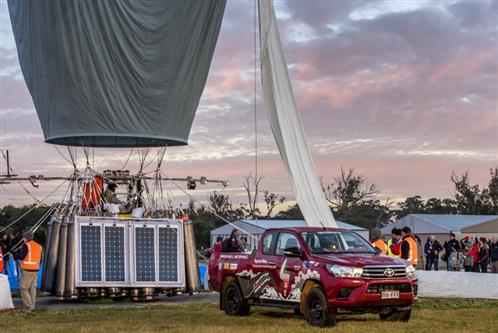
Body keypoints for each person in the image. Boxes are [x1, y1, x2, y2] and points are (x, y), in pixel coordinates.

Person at [13, 231, 43, 311]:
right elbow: (40, 259)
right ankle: (32, 305)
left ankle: (29, 307)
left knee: (23, 287)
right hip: (36, 269)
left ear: (25, 238)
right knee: (32, 288)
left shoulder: (26, 245)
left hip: (27, 269)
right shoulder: (39, 246)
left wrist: (14, 254)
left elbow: (22, 257)